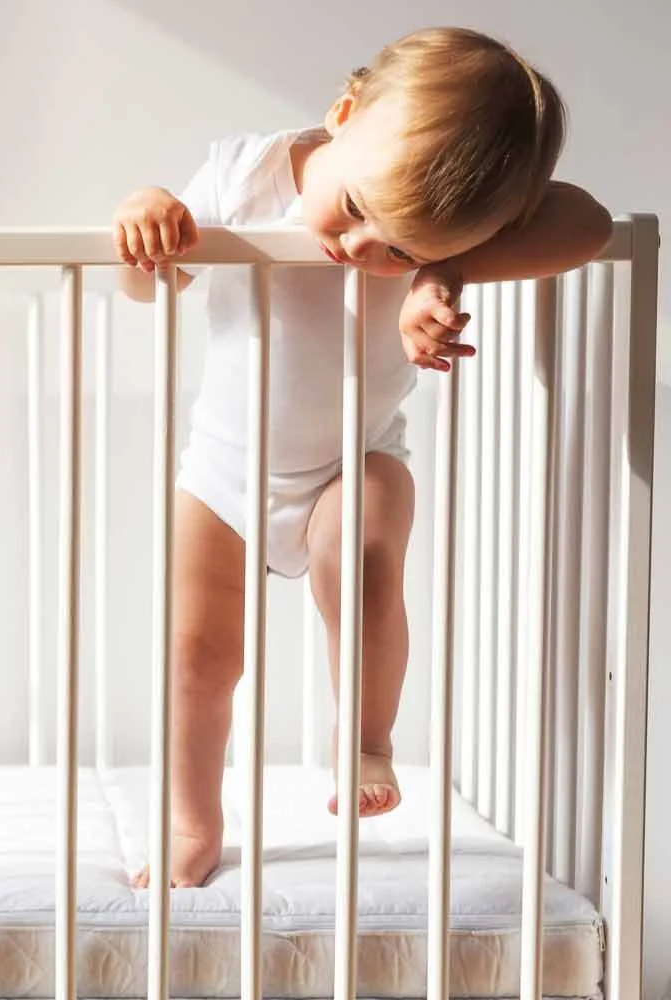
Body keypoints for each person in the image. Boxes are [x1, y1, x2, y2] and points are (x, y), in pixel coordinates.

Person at [111, 25, 612, 889]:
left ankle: (367, 742)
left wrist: (446, 274)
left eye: (402, 247)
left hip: (354, 458)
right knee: (198, 655)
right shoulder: (243, 176)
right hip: (224, 473)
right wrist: (146, 214)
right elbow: (147, 282)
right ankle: (193, 820)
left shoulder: (438, 245)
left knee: (366, 553)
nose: (359, 248)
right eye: (352, 211)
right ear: (341, 117)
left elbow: (592, 223)